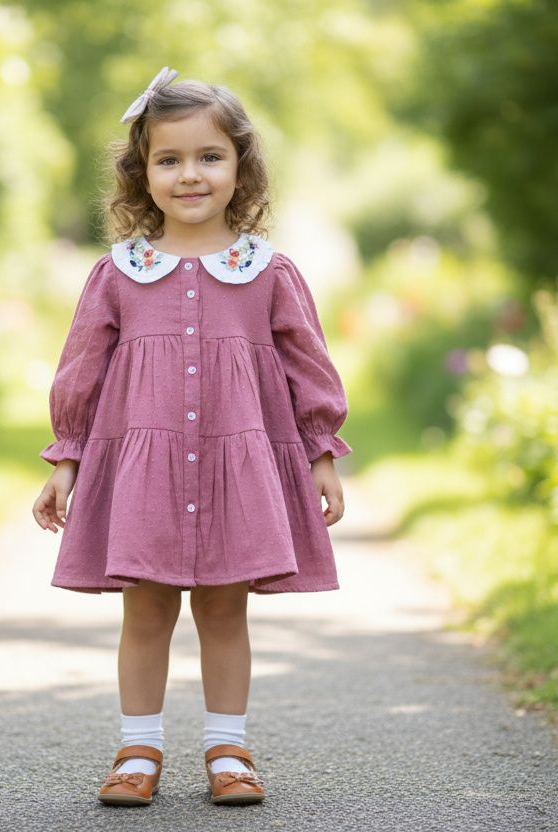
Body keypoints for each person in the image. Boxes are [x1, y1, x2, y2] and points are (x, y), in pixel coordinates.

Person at [31, 66, 351, 808]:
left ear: (241, 167)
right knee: (144, 610)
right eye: (168, 159)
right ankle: (137, 749)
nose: (189, 174)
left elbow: (309, 366)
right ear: (142, 175)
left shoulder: (268, 272)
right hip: (143, 471)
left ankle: (227, 749)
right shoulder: (118, 274)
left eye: (209, 156)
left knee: (222, 610)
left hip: (237, 470)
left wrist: (323, 452)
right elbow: (79, 371)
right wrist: (65, 460)